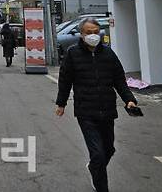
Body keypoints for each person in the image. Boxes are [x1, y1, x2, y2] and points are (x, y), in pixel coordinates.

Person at [55, 17, 138, 192]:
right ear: (81, 34)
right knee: (98, 154)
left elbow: (119, 79)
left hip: (107, 110)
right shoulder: (73, 53)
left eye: (95, 32)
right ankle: (101, 186)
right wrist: (61, 103)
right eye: (88, 32)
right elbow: (65, 80)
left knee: (108, 150)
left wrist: (129, 99)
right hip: (86, 111)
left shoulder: (108, 54)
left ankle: (94, 168)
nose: (93, 35)